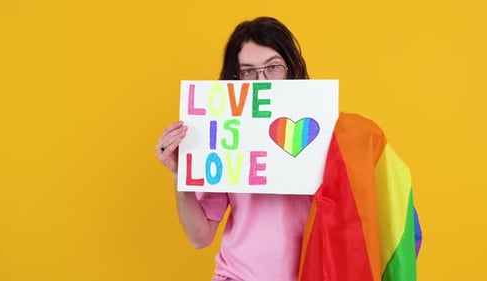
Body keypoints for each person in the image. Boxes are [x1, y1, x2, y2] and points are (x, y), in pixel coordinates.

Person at [156, 16, 421, 281]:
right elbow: (200, 237)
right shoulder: (226, 138)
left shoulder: (332, 133)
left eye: (272, 67)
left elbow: (376, 206)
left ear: (291, 68)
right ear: (235, 78)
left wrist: (366, 143)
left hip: (313, 274)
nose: (261, 80)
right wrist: (181, 177)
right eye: (247, 71)